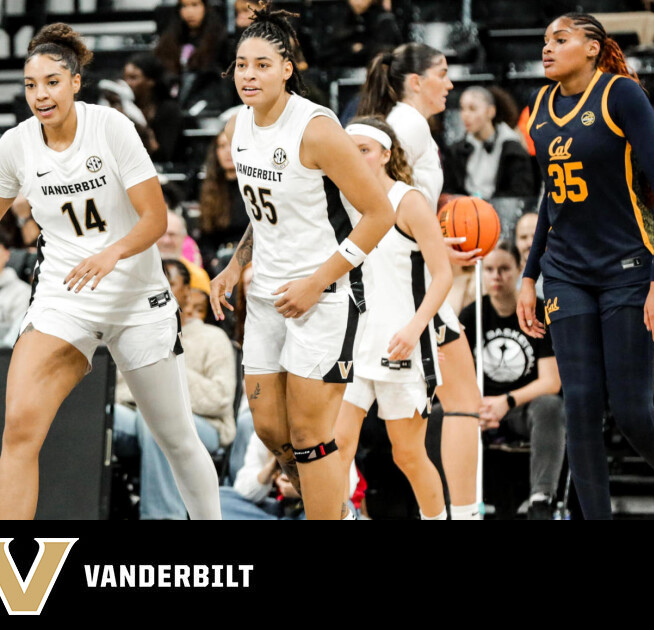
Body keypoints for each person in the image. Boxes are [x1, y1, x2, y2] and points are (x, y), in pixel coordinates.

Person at [0, 23, 221, 520]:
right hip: (65, 296)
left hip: (136, 297)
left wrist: (111, 253)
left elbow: (155, 218)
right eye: (31, 85)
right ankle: (11, 558)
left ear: (75, 82)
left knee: (177, 439)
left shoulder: (111, 128)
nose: (40, 94)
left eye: (52, 82)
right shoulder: (16, 145)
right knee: (19, 427)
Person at [518, 13, 654, 519]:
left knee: (632, 414)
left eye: (560, 39)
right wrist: (529, 275)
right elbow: (551, 198)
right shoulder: (539, 105)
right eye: (545, 40)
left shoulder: (621, 95)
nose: (547, 48)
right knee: (580, 409)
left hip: (627, 269)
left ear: (592, 47)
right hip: (567, 273)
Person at [208, 5, 395, 520]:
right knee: (271, 429)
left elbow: (379, 214)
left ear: (287, 68)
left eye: (262, 64)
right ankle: (336, 509)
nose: (249, 75)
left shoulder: (315, 129)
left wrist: (316, 282)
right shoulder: (239, 126)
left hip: (325, 295)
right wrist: (235, 264)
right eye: (242, 64)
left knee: (311, 435)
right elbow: (263, 213)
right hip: (267, 293)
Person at [358, 42, 486, 520]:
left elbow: (390, 205)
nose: (449, 83)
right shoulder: (407, 124)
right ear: (416, 81)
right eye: (442, 73)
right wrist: (424, 246)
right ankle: (464, 514)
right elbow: (373, 196)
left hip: (402, 273)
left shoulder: (403, 122)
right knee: (462, 404)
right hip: (407, 286)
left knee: (403, 438)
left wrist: (430, 242)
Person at [332, 117, 451, 520]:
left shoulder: (409, 201)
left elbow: (443, 275)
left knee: (409, 455)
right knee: (337, 445)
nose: (356, 158)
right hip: (354, 342)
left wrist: (416, 329)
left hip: (402, 341)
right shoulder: (343, 201)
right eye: (351, 151)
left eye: (365, 150)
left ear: (386, 155)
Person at [114, 259, 235, 519]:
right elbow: (114, 388)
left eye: (169, 281)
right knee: (98, 415)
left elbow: (220, 398)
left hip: (207, 424)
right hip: (135, 413)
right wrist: (148, 388)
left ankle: (164, 516)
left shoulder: (212, 337)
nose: (159, 285)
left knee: (158, 418)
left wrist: (166, 372)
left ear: (187, 292)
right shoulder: (134, 334)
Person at [463, 243, 565, 519]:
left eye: (504, 269)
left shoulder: (538, 311)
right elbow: (456, 376)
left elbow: (551, 382)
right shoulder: (472, 314)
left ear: (520, 269)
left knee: (551, 406)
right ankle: (448, 503)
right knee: (439, 414)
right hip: (481, 409)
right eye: (489, 269)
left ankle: (541, 502)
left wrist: (506, 402)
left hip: (523, 407)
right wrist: (476, 406)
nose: (496, 276)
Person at [443, 86, 537, 199]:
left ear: (490, 111)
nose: (465, 115)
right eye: (462, 109)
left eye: (472, 109)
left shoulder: (513, 150)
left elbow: (520, 193)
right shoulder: (455, 151)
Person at [155, 0, 232, 112]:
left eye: (195, 5)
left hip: (209, 103)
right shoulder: (169, 41)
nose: (189, 11)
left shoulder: (220, 41)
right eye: (184, 6)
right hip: (174, 102)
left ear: (205, 8)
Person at [198, 126, 252, 274]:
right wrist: (213, 262)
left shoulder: (255, 187)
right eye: (222, 146)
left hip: (252, 259)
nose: (228, 151)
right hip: (221, 263)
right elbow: (206, 238)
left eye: (232, 145)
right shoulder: (209, 190)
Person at [118, 53, 183, 163]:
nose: (127, 83)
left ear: (151, 81)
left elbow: (164, 155)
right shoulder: (123, 108)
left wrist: (143, 131)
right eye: (125, 78)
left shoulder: (168, 110)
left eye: (133, 78)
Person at [324, 0, 403, 68]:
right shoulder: (338, 14)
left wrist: (364, 48)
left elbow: (387, 51)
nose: (358, 2)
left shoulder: (383, 19)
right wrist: (351, 47)